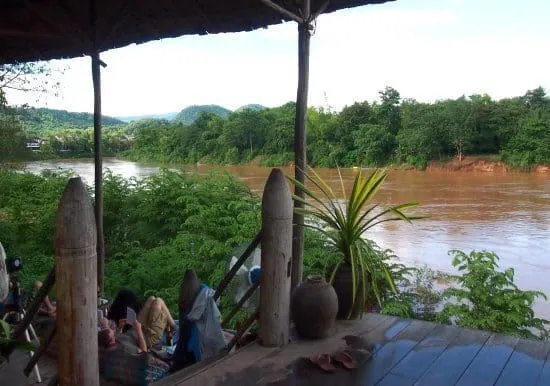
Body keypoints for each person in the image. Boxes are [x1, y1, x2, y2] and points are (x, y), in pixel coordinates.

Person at [100, 294, 176, 351]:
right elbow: (144, 352)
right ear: (111, 343)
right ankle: (174, 327)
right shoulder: (124, 349)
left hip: (134, 330)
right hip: (147, 338)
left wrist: (120, 327)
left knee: (151, 299)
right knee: (158, 301)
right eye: (113, 334)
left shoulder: (113, 341)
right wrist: (139, 330)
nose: (114, 331)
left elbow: (119, 336)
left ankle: (171, 326)